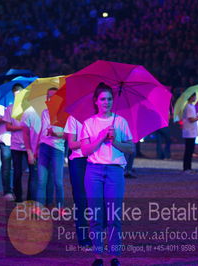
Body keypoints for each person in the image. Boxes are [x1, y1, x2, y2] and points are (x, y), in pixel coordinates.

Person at [80, 82, 134, 266]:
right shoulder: (89, 123)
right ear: (96, 101)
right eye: (103, 99)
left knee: (114, 215)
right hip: (93, 171)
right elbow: (85, 150)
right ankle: (98, 256)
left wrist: (116, 140)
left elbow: (130, 148)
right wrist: (101, 136)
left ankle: (114, 255)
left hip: (115, 171)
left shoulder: (120, 122)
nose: (107, 102)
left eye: (110, 99)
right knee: (95, 215)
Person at [3, 84, 36, 202]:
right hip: (16, 145)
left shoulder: (31, 109)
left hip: (31, 146)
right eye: (15, 95)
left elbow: (35, 127)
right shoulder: (10, 108)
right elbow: (8, 127)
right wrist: (22, 128)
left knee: (33, 172)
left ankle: (30, 198)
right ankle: (18, 197)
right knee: (17, 173)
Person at [64, 115, 92, 247]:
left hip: (96, 161)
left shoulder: (100, 118)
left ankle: (99, 234)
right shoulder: (73, 117)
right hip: (78, 161)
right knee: (81, 199)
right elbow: (71, 144)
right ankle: (83, 238)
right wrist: (90, 141)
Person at [36, 88, 64, 208]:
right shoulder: (44, 112)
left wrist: (56, 134)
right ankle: (39, 207)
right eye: (48, 96)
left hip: (57, 148)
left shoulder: (64, 114)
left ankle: (60, 206)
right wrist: (36, 147)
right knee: (41, 180)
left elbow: (69, 134)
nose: (50, 99)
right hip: (44, 147)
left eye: (53, 96)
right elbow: (41, 130)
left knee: (58, 181)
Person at [22, 106, 41, 201]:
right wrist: (29, 151)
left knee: (47, 179)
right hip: (34, 151)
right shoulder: (29, 111)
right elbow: (25, 134)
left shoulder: (54, 112)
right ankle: (32, 203)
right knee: (34, 177)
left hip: (50, 150)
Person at [182, 93, 198, 174]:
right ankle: (186, 168)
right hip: (189, 131)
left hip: (191, 131)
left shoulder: (191, 106)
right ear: (191, 97)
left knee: (190, 150)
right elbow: (191, 119)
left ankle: (188, 167)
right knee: (189, 150)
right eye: (194, 96)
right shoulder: (188, 107)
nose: (195, 98)